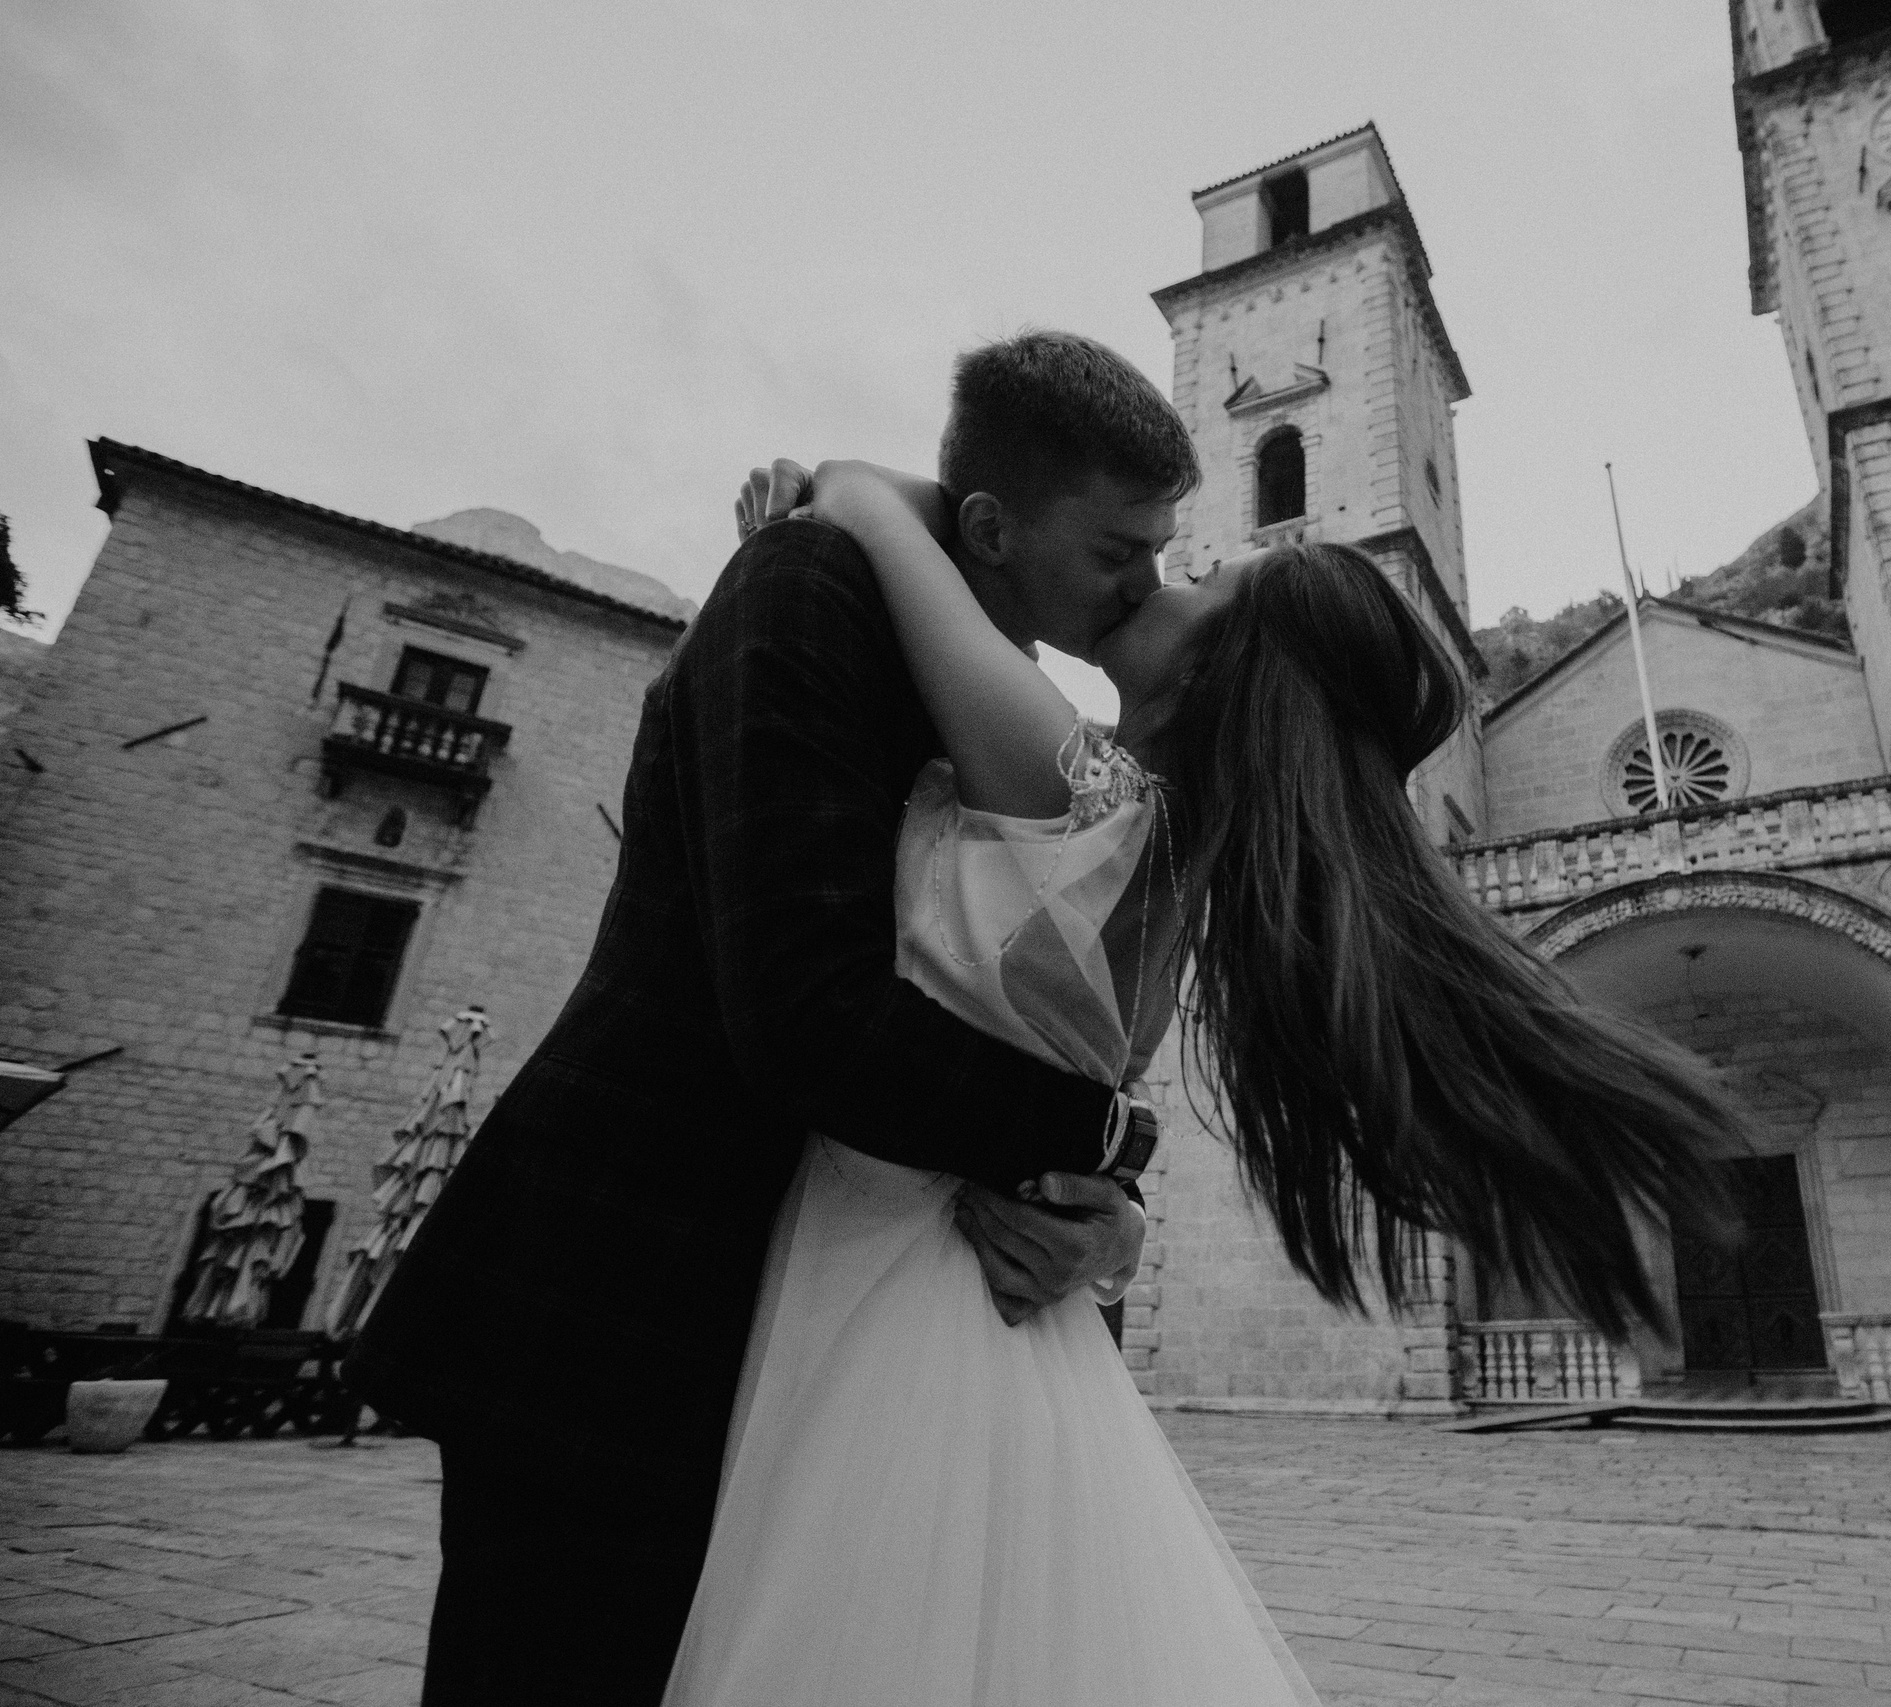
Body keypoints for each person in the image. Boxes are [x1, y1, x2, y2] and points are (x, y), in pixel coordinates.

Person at [666, 453, 1752, 1703]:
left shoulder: (1078, 780)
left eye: (1197, 578)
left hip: (885, 1281)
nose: (1158, 578)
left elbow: (867, 498)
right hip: (987, 1304)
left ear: (1215, 669)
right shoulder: (1187, 864)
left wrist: (831, 490)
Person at [343, 330, 1199, 1706]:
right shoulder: (808, 588)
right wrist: (1112, 1137)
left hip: (799, 1326)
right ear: (991, 524)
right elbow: (804, 1012)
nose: (1147, 582)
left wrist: (1101, 1206)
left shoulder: (970, 676)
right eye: (1117, 549)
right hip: (624, 1299)